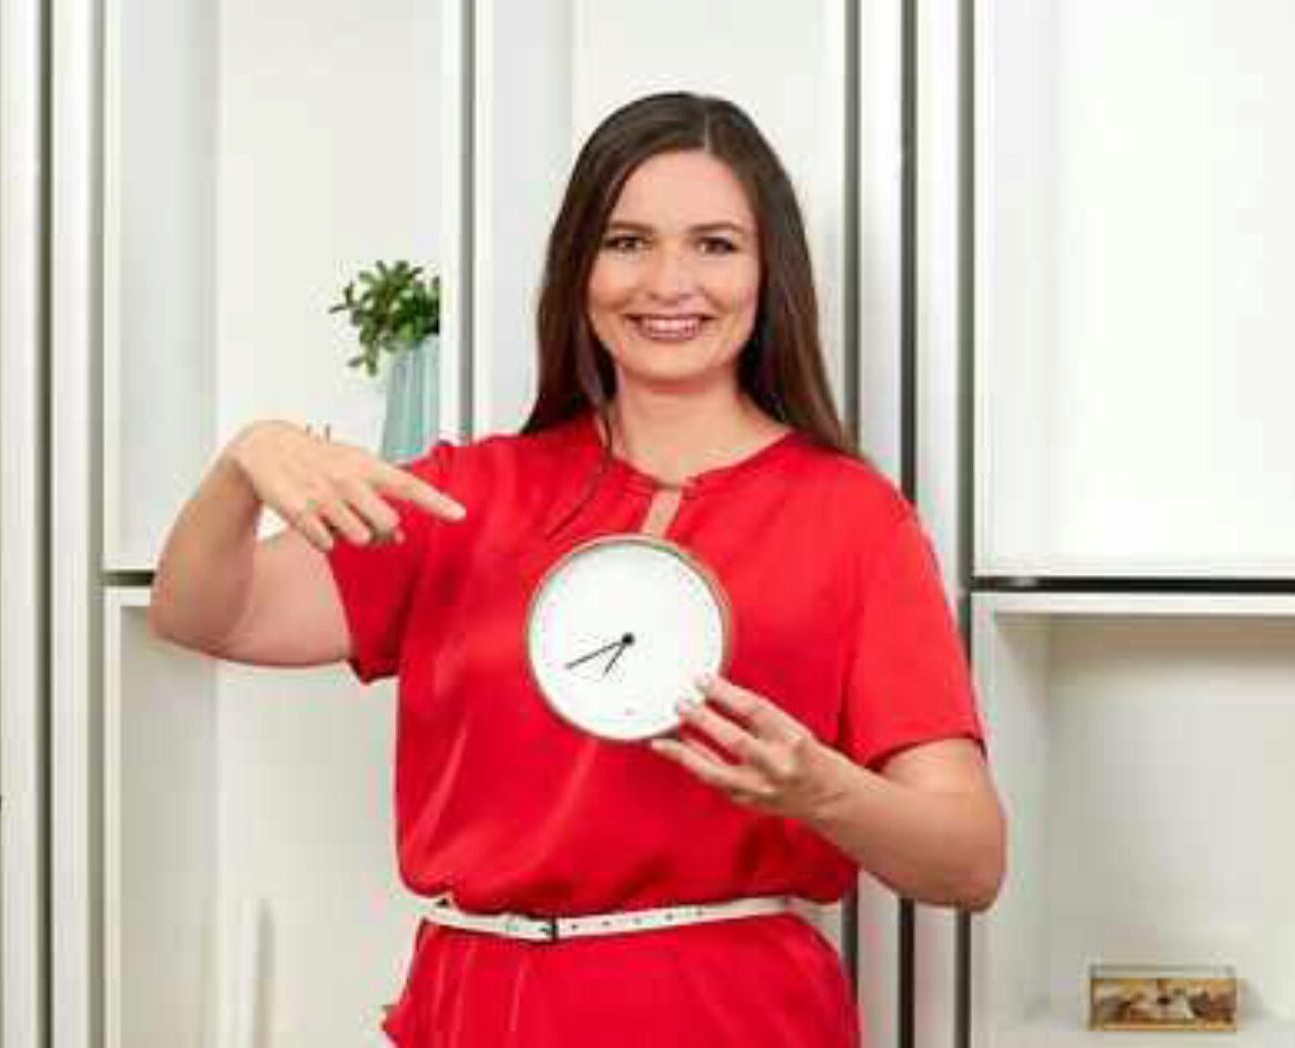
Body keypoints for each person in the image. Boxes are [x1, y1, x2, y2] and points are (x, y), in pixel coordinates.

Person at [149, 91, 1006, 1047]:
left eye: (716, 245)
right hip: (476, 1010)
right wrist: (245, 464)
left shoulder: (854, 521)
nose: (669, 282)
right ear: (578, 270)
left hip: (728, 1016)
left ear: (770, 275)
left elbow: (969, 861)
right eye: (627, 242)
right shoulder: (465, 498)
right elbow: (204, 614)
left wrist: (819, 788)